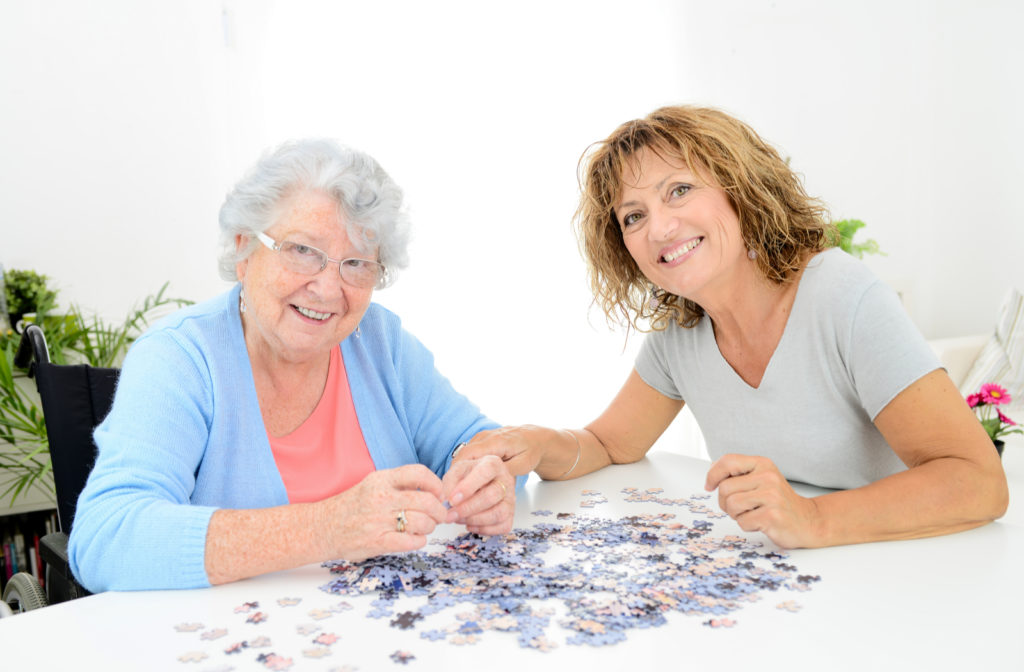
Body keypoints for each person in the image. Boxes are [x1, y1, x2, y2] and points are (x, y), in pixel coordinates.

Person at [456, 105, 1008, 548]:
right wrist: (531, 443)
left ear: (739, 189)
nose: (660, 227)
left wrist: (811, 518)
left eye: (679, 190)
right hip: (801, 580)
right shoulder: (680, 332)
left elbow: (978, 483)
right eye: (633, 215)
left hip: (907, 565)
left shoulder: (842, 296)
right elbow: (608, 442)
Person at [69, 139, 516, 592]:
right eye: (303, 250)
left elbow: (473, 441)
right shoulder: (179, 357)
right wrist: (329, 527)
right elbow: (106, 538)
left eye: (356, 263)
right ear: (244, 250)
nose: (327, 288)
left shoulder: (379, 340)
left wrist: (481, 478)